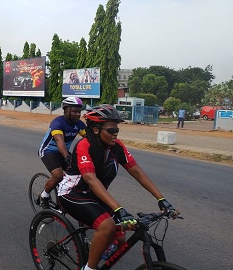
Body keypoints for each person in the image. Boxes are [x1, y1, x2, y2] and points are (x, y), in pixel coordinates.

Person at [54, 104, 179, 270]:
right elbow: (90, 179)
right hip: (72, 193)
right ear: (96, 129)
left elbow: (137, 172)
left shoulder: (117, 146)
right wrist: (119, 208)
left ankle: (97, 255)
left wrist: (161, 199)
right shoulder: (85, 145)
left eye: (117, 130)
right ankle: (89, 268)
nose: (115, 134)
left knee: (120, 237)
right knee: (107, 226)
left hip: (94, 195)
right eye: (111, 130)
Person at [38, 96, 86, 208]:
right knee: (58, 175)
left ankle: (66, 195)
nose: (78, 114)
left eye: (79, 111)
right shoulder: (57, 123)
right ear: (65, 110)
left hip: (63, 152)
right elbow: (60, 141)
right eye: (74, 111)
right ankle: (44, 195)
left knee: (80, 173)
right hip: (48, 151)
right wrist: (67, 157)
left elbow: (89, 139)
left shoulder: (79, 124)